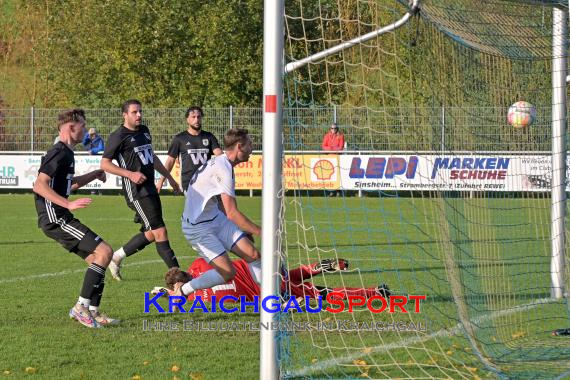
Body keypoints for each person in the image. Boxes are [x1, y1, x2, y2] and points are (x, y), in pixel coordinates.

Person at [33, 109, 118, 328]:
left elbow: (69, 184)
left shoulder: (67, 153)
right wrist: (68, 204)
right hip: (55, 217)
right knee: (105, 251)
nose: (85, 129)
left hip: (59, 215)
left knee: (97, 259)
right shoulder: (58, 151)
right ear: (72, 127)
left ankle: (92, 311)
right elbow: (39, 184)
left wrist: (94, 174)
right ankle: (80, 308)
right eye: (83, 125)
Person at [171, 128, 262, 298]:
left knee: (254, 254)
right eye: (250, 144)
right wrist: (260, 231)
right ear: (240, 146)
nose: (252, 148)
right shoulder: (223, 168)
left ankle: (278, 299)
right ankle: (183, 290)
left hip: (215, 219)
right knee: (228, 272)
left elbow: (220, 203)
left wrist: (242, 230)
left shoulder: (223, 163)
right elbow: (232, 213)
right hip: (198, 229)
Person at [100, 99, 182, 281]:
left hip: (150, 188)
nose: (139, 115)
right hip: (136, 192)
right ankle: (178, 277)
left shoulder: (144, 131)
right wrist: (130, 174)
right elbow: (104, 163)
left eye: (140, 112)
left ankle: (117, 257)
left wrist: (169, 178)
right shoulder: (118, 136)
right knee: (160, 231)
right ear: (125, 115)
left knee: (152, 232)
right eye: (134, 112)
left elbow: (151, 157)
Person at [161, 258, 390, 302]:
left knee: (323, 294)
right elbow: (195, 271)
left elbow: (178, 298)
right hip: (261, 267)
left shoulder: (201, 298)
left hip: (268, 291)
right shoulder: (200, 265)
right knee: (290, 276)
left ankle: (374, 292)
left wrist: (172, 292)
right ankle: (318, 266)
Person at [156, 106, 222, 194]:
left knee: (211, 207)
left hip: (208, 182)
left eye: (199, 117)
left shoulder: (209, 136)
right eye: (193, 117)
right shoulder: (179, 138)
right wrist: (161, 181)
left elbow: (220, 155)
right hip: (189, 183)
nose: (197, 119)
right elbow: (170, 162)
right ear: (187, 119)